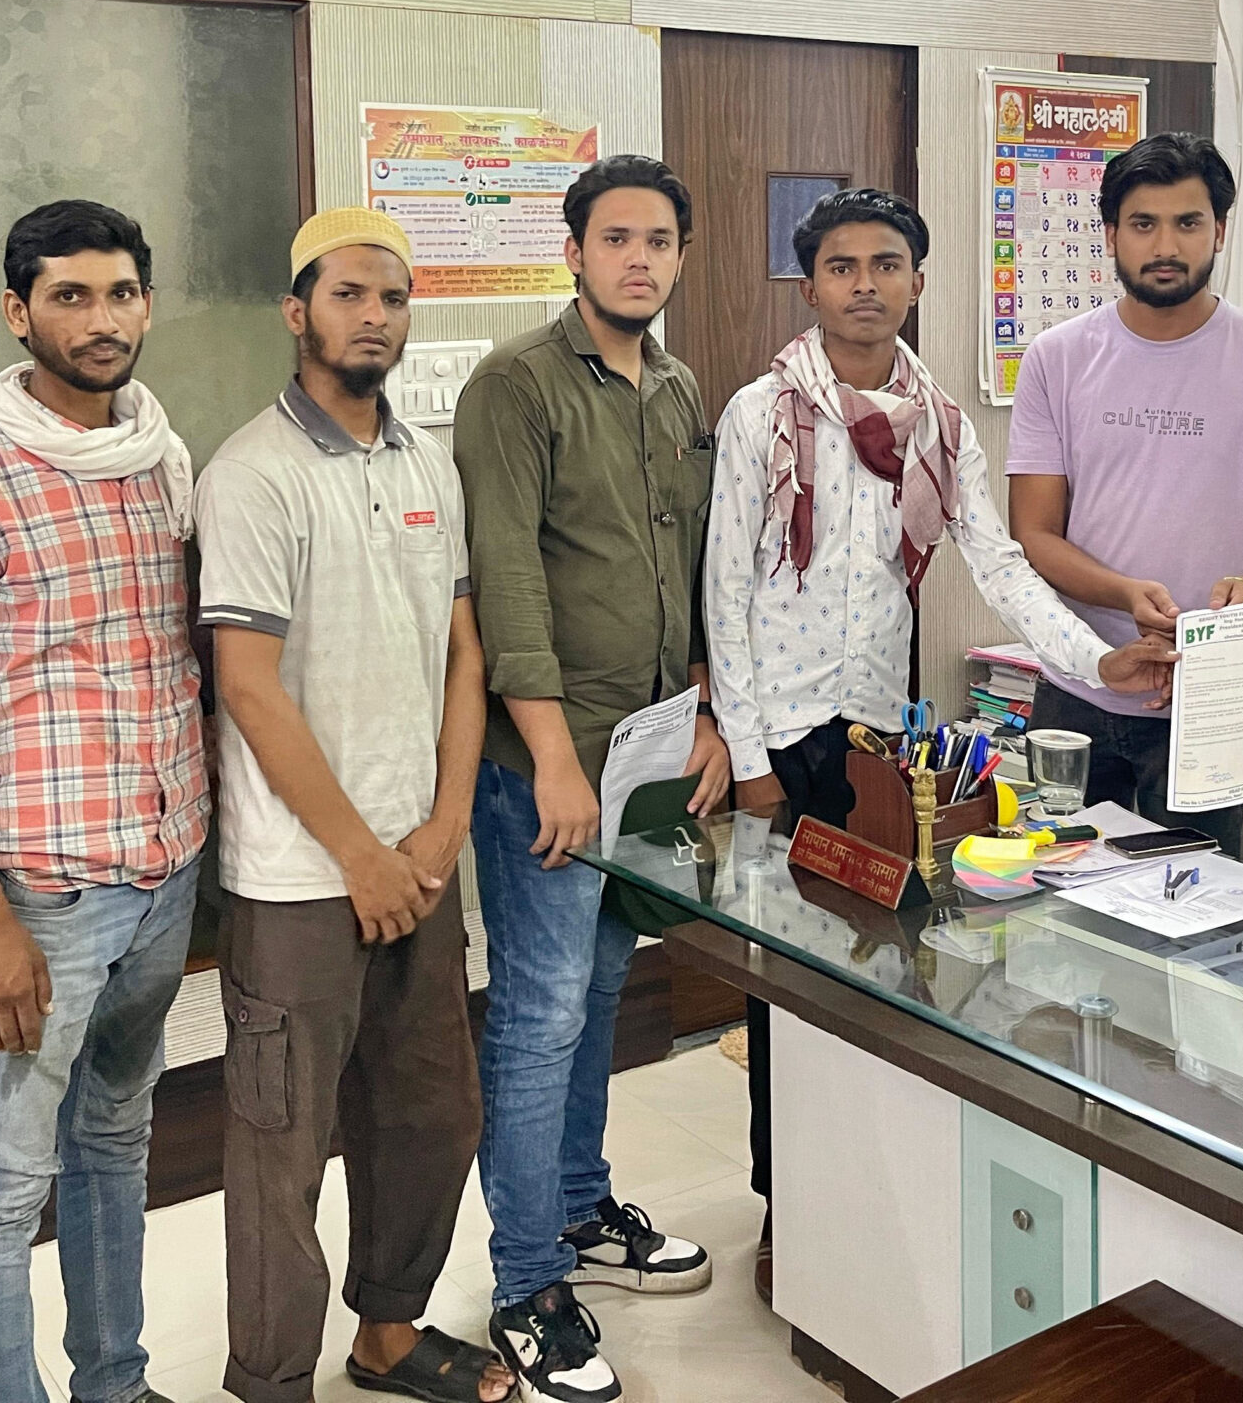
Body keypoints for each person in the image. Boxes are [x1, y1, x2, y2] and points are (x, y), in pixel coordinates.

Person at [702, 186, 1174, 1287]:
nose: (864, 285)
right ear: (809, 286)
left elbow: (999, 562)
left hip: (878, 740)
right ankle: (786, 1207)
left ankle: (864, 1194)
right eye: (842, 267)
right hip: (782, 737)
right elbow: (725, 592)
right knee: (785, 983)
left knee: (877, 968)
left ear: (918, 282)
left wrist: (1093, 660)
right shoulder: (760, 413)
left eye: (886, 265)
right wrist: (753, 764)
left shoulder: (941, 423)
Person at [0, 199, 208, 1403]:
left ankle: (113, 1384)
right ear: (19, 314)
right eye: (70, 296)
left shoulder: (160, 453)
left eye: (120, 293)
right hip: (41, 890)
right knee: (5, 1181)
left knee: (116, 1139)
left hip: (165, 866)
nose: (101, 318)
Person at [195, 210, 512, 1403]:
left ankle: (387, 1334)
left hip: (418, 859)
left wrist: (439, 827)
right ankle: (270, 1380)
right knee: (281, 1150)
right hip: (299, 877)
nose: (373, 316)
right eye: (347, 295)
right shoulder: (252, 475)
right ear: (298, 313)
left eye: (391, 297)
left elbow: (464, 654)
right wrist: (356, 855)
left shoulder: (428, 462)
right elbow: (247, 685)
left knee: (431, 1112)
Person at [453, 154, 725, 1403]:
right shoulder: (514, 385)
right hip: (545, 765)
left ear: (678, 257)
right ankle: (525, 1283)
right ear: (572, 253)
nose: (638, 259)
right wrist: (554, 757)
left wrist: (707, 714)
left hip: (649, 756)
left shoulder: (676, 385)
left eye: (657, 241)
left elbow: (696, 563)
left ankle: (575, 1208)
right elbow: (506, 578)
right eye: (615, 238)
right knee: (539, 1011)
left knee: (605, 987)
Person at [1006, 133, 1243, 848]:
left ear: (1220, 230)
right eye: (1143, 224)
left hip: (1210, 699)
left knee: (1200, 900)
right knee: (1060, 896)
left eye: (1187, 223)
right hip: (1079, 686)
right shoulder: (1056, 359)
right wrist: (1125, 594)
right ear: (1110, 235)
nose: (1165, 246)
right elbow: (1033, 535)